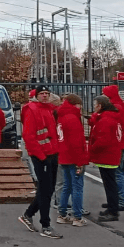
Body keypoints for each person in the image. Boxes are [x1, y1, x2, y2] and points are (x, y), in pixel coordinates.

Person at [19, 85, 62, 239]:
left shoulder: (49, 109)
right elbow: (29, 136)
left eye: (47, 93)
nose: (45, 96)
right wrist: (41, 156)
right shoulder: (32, 109)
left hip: (52, 153)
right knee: (45, 190)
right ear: (36, 95)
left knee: (48, 190)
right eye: (42, 93)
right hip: (41, 155)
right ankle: (46, 225)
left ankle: (28, 214)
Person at [55, 93, 88, 227]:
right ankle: (77, 216)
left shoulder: (61, 117)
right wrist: (80, 161)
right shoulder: (73, 118)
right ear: (76, 105)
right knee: (77, 187)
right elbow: (76, 142)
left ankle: (62, 214)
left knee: (66, 186)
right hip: (74, 157)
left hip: (63, 156)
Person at [89, 95, 123, 221]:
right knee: (110, 183)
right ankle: (111, 206)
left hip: (107, 156)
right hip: (111, 154)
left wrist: (91, 148)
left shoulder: (105, 120)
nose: (94, 107)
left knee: (110, 184)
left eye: (95, 105)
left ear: (100, 106)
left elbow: (102, 140)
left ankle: (113, 211)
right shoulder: (110, 117)